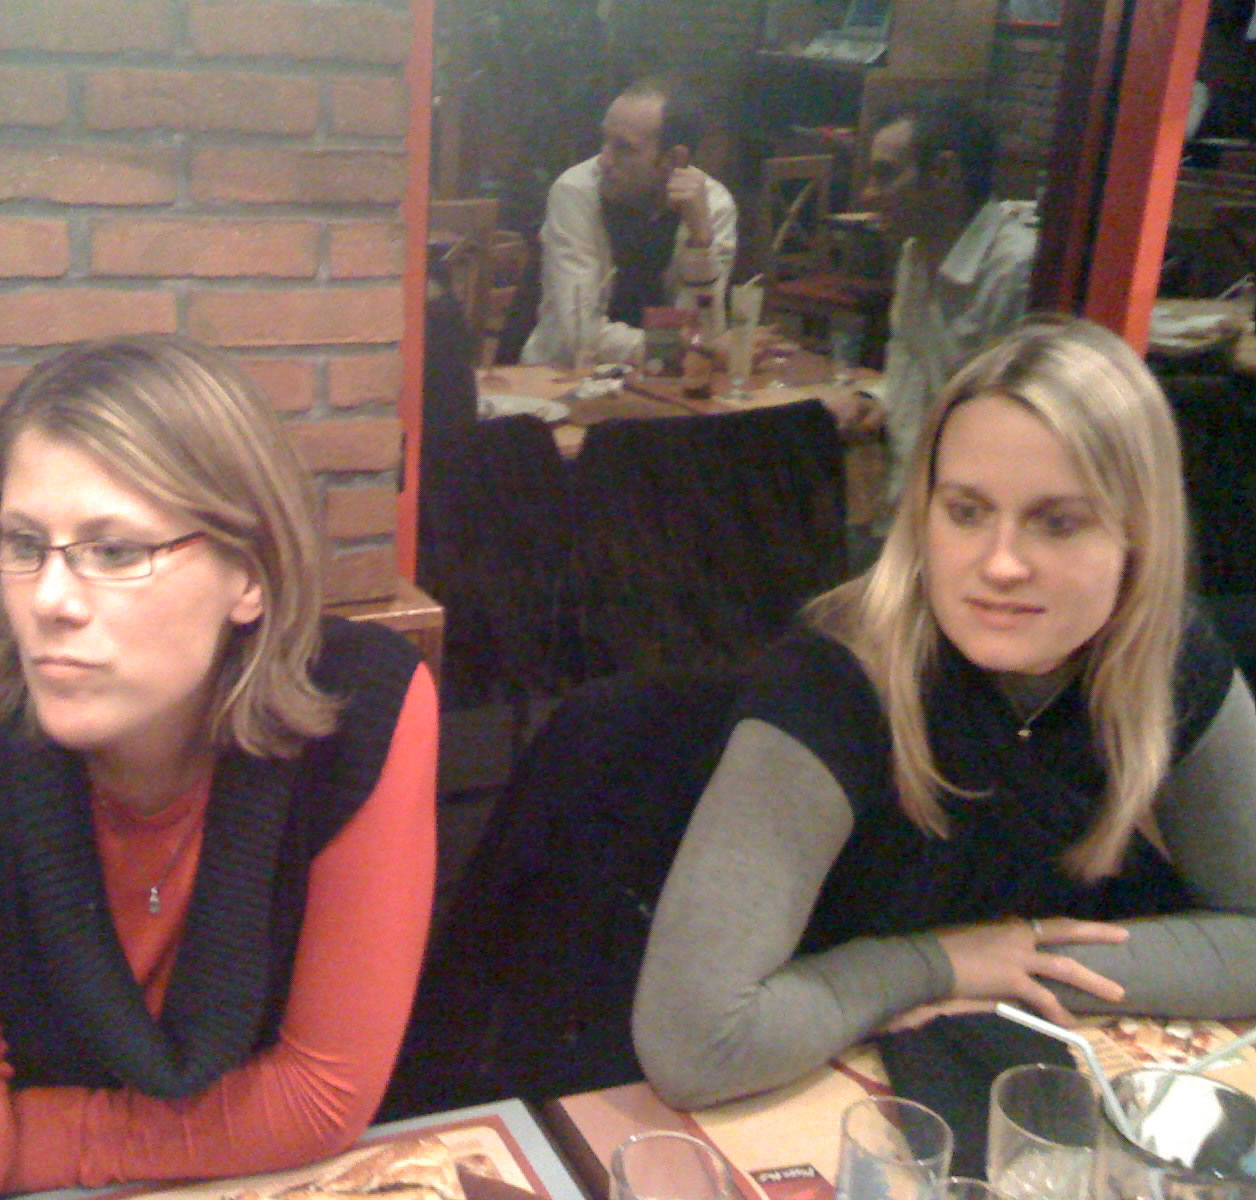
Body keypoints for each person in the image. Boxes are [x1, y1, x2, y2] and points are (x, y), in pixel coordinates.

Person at [0, 336, 439, 1200]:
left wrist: (11, 1138)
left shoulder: (362, 710)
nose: (49, 600)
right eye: (24, 543)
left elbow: (319, 1100)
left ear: (250, 574)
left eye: (116, 551)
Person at [633, 316, 1256, 1112]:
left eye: (1058, 522)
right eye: (966, 511)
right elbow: (696, 1044)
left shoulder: (1164, 655)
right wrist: (940, 964)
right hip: (808, 1085)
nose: (1000, 563)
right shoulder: (834, 680)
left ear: (1139, 535)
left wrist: (1018, 964)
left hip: (1015, 1070)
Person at [854, 98, 1040, 513]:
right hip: (908, 493)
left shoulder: (1015, 269)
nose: (868, 194)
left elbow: (1008, 424)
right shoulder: (915, 252)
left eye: (885, 175)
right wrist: (878, 400)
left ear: (943, 172)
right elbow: (910, 364)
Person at [520, 77, 738, 369]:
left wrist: (701, 243)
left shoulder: (711, 205)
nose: (604, 160)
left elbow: (705, 329)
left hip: (664, 380)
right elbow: (579, 332)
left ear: (673, 158)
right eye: (605, 140)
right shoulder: (575, 191)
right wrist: (686, 347)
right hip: (564, 376)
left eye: (623, 148)